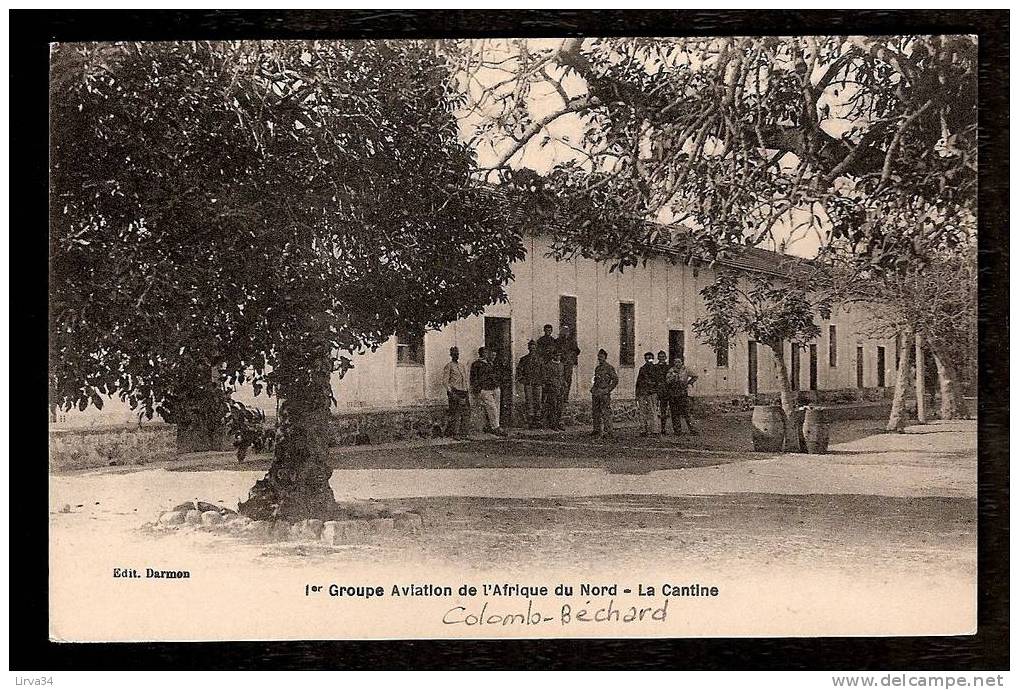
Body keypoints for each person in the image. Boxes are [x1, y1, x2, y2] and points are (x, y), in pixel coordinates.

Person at [470, 347, 507, 436]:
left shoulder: (491, 363)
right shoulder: (476, 364)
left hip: (495, 388)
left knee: (497, 408)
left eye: (487, 353)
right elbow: (473, 378)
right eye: (485, 353)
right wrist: (478, 388)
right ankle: (496, 427)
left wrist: (498, 383)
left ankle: (492, 426)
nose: (486, 354)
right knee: (492, 408)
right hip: (485, 389)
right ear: (481, 353)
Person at [441, 346, 471, 439]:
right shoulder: (449, 366)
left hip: (463, 391)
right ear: (451, 355)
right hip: (455, 392)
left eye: (457, 354)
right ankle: (455, 433)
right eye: (454, 354)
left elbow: (465, 379)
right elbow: (445, 382)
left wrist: (467, 391)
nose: (456, 355)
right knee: (456, 413)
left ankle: (464, 433)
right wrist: (451, 393)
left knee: (466, 413)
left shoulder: (462, 366)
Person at [664, 355, 699, 435]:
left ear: (682, 362)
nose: (677, 364)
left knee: (686, 412)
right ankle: (677, 430)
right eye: (675, 362)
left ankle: (692, 429)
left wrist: (689, 383)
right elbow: (667, 381)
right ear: (674, 363)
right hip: (673, 394)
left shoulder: (685, 369)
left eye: (679, 362)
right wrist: (673, 378)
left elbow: (695, 376)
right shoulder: (671, 370)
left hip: (683, 393)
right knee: (675, 413)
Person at [590, 348, 618, 438]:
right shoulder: (597, 368)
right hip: (596, 392)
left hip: (604, 392)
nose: (599, 358)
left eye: (601, 357)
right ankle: (596, 429)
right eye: (599, 356)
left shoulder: (609, 368)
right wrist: (593, 388)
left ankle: (608, 430)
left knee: (606, 411)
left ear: (605, 357)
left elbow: (615, 380)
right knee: (595, 411)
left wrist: (608, 389)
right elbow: (595, 379)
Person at [516, 340, 545, 428]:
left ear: (536, 348)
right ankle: (530, 420)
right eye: (530, 347)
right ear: (528, 348)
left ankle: (538, 420)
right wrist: (522, 379)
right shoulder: (524, 359)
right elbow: (519, 371)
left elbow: (543, 371)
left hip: (538, 383)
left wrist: (542, 381)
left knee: (538, 401)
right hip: (528, 383)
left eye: (534, 347)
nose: (532, 349)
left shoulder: (540, 359)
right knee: (529, 401)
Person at [635, 351, 661, 436]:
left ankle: (655, 430)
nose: (648, 360)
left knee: (653, 411)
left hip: (652, 393)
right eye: (646, 358)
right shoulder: (642, 369)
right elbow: (638, 382)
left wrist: (655, 390)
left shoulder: (656, 368)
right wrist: (637, 393)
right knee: (642, 411)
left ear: (652, 359)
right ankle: (643, 430)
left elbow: (658, 381)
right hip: (642, 393)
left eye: (649, 358)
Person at [542, 350, 566, 430]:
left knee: (560, 407)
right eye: (556, 355)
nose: (558, 357)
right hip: (552, 388)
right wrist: (551, 384)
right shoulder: (548, 365)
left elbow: (562, 376)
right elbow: (545, 377)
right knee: (553, 406)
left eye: (559, 355)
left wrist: (563, 384)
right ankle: (553, 424)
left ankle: (559, 423)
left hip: (560, 388)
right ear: (553, 356)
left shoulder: (561, 365)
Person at [557, 325, 581, 403]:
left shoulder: (572, 342)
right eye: (563, 331)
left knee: (568, 380)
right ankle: (560, 396)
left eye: (567, 332)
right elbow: (555, 351)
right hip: (560, 363)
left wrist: (571, 356)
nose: (565, 333)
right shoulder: (558, 341)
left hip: (568, 364)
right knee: (560, 379)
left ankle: (565, 397)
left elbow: (577, 351)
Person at [655, 350, 671, 433]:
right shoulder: (654, 367)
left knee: (664, 410)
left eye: (663, 357)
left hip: (666, 391)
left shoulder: (669, 368)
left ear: (665, 358)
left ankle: (663, 428)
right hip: (656, 391)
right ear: (657, 358)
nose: (661, 358)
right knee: (655, 410)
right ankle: (655, 428)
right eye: (660, 357)